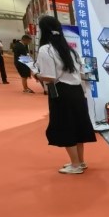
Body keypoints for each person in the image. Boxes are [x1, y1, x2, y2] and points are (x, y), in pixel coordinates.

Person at [31, 16, 96, 174]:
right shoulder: (71, 50)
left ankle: (75, 165)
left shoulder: (46, 49)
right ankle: (80, 161)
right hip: (77, 91)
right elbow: (81, 72)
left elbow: (50, 77)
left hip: (61, 92)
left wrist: (36, 74)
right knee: (78, 126)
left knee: (66, 127)